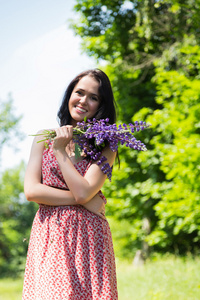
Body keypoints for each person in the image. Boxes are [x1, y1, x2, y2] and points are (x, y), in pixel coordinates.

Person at [22, 69, 118, 300]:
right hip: (51, 233)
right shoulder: (43, 137)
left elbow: (84, 190)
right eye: (80, 92)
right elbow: (32, 190)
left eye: (93, 97)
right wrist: (85, 202)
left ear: (101, 106)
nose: (84, 100)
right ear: (69, 95)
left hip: (89, 236)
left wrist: (60, 152)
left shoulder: (108, 144)